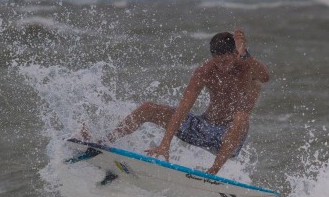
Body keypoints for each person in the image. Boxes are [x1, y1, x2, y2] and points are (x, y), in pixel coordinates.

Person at [80, 28, 270, 175]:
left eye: (227, 61)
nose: (223, 67)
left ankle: (212, 173)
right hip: (203, 127)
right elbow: (183, 108)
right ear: (212, 57)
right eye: (218, 62)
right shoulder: (204, 72)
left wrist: (246, 55)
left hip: (228, 138)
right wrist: (165, 143)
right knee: (148, 108)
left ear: (236, 55)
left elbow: (265, 76)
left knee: (241, 117)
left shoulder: (247, 67)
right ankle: (102, 143)